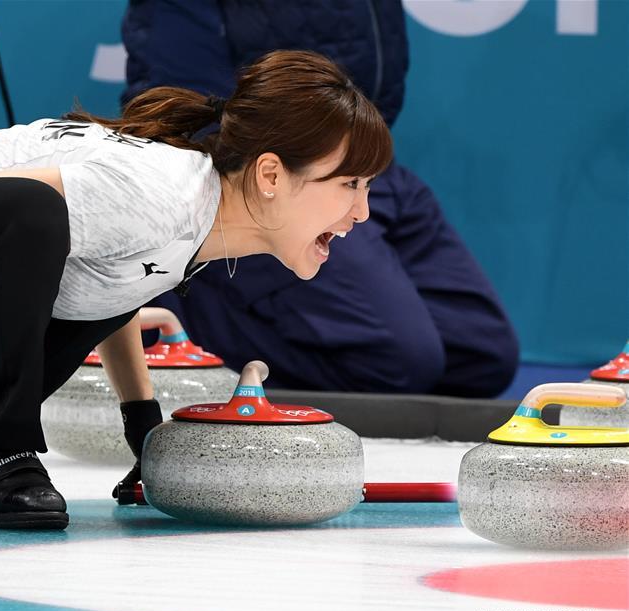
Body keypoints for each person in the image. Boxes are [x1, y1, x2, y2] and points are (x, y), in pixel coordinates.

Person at [0, 50, 392, 530]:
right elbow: (5, 210)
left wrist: (143, 430)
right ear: (272, 174)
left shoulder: (196, 219)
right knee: (29, 216)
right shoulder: (159, 192)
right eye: (349, 185)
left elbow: (107, 290)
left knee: (86, 284)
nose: (361, 213)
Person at [123, 0, 520, 396]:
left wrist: (354, 170)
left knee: (481, 355)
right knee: (398, 363)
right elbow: (183, 101)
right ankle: (184, 299)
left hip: (366, 164)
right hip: (271, 182)